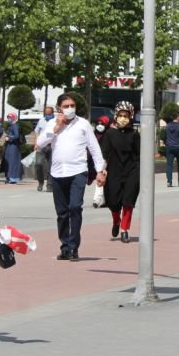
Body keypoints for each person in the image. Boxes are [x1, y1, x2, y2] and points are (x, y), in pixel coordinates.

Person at [35, 93, 106, 261]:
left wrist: (100, 170)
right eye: (66, 106)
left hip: (78, 172)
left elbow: (94, 148)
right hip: (58, 172)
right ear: (59, 108)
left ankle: (74, 246)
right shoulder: (52, 123)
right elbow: (39, 144)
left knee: (75, 207)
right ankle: (65, 246)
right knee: (62, 212)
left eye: (72, 105)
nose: (70, 109)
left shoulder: (83, 124)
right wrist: (55, 129)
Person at [102, 101, 141, 243]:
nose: (123, 118)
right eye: (121, 115)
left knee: (128, 201)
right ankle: (116, 221)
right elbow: (104, 154)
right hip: (113, 171)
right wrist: (102, 170)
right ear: (116, 116)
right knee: (113, 201)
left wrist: (139, 172)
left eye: (126, 115)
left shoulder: (135, 135)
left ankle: (125, 229)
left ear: (131, 117)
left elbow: (139, 155)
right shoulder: (109, 134)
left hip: (132, 170)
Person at [33, 106, 54, 191]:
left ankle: (49, 185)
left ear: (52, 113)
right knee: (38, 164)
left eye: (49, 114)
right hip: (41, 146)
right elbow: (36, 132)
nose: (47, 115)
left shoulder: (56, 121)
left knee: (51, 166)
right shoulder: (41, 120)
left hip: (52, 146)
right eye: (46, 114)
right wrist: (35, 143)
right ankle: (40, 182)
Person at [163, 110, 179, 187]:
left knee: (169, 165)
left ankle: (169, 181)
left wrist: (166, 144)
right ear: (177, 117)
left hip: (169, 147)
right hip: (178, 147)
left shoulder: (167, 126)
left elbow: (164, 136)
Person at [2, 113, 23, 184]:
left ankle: (13, 178)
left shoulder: (14, 126)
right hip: (10, 146)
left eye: (10, 117)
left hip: (13, 146)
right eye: (8, 117)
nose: (8, 119)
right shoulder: (12, 125)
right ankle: (9, 177)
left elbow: (16, 136)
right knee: (9, 161)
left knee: (12, 161)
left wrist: (9, 137)